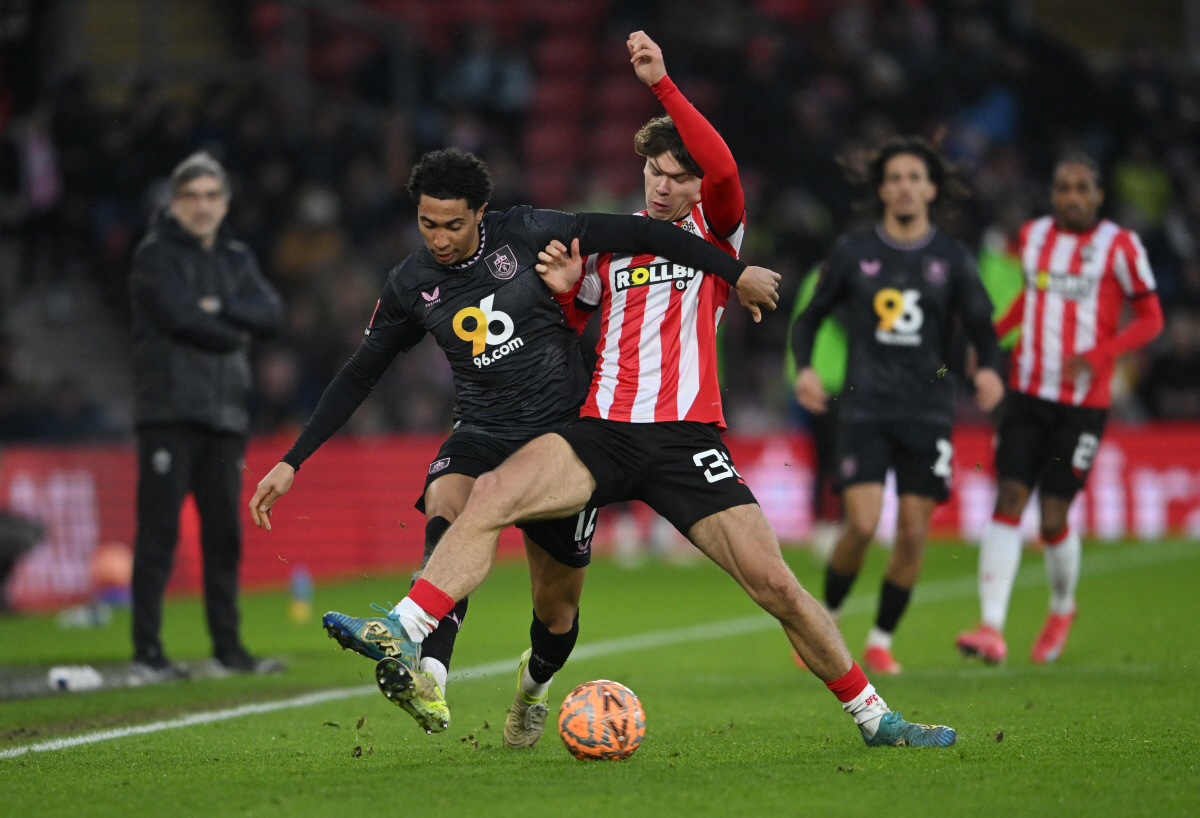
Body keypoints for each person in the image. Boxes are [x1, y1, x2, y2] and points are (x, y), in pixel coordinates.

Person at [314, 36, 958, 750]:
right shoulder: (611, 247)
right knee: (491, 495)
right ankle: (404, 628)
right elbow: (574, 327)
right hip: (604, 431)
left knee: (774, 586)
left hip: (686, 440)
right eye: (654, 171)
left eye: (677, 177)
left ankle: (876, 717)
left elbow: (723, 167)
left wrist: (662, 86)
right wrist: (563, 298)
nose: (662, 186)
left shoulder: (716, 229)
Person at [249, 144, 780, 737]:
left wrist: (734, 273)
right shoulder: (411, 283)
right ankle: (430, 678)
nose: (440, 238)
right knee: (451, 509)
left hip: (563, 439)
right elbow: (359, 371)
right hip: (481, 430)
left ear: (481, 212)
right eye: (428, 224)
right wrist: (294, 459)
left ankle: (535, 686)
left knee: (555, 611)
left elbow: (655, 238)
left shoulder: (527, 231)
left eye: (454, 224)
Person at [791, 137, 1005, 675]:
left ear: (931, 188)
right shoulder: (853, 252)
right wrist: (808, 368)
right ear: (882, 189)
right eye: (894, 178)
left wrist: (991, 371)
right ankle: (828, 622)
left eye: (914, 177)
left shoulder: (951, 257)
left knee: (912, 532)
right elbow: (810, 318)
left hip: (928, 410)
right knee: (861, 526)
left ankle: (882, 641)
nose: (904, 186)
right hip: (864, 408)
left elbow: (984, 328)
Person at [956, 154, 1163, 664]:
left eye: (1082, 188)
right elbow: (1032, 301)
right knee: (1009, 496)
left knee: (1052, 517)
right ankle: (991, 628)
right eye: (1064, 188)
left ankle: (1063, 606)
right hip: (1027, 393)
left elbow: (1151, 319)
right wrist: (992, 340)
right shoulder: (1035, 237)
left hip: (1083, 406)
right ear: (1053, 194)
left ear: (1098, 195)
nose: (1072, 197)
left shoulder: (1120, 246)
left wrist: (1102, 354)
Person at [129, 152, 285, 682]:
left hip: (224, 418)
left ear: (225, 203)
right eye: (191, 196)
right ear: (174, 203)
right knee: (159, 533)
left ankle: (229, 651)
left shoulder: (237, 258)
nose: (202, 206)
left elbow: (272, 315)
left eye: (211, 196)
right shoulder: (154, 256)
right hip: (169, 412)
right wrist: (229, 326)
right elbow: (178, 319)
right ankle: (147, 652)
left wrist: (217, 308)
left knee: (224, 536)